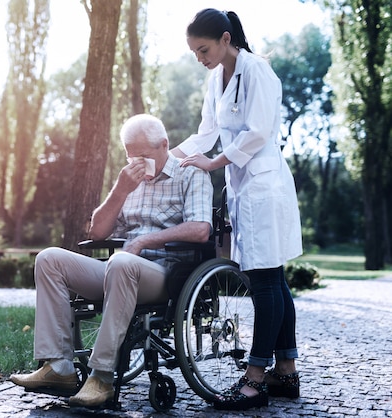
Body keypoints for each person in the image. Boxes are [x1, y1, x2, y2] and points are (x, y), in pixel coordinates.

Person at [10, 114, 213, 407]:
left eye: (144, 155)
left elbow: (200, 228)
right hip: (121, 270)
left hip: (168, 274)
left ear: (164, 145)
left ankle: (101, 377)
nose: (138, 162)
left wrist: (144, 240)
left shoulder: (190, 173)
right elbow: (98, 231)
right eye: (132, 156)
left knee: (121, 263)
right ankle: (58, 367)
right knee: (49, 259)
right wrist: (119, 191)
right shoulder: (128, 181)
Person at [170, 8, 303, 411]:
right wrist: (169, 158)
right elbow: (207, 132)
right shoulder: (216, 79)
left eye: (203, 49)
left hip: (264, 185)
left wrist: (213, 163)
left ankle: (255, 379)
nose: (200, 58)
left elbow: (258, 131)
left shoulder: (257, 71)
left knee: (264, 281)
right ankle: (287, 373)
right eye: (194, 52)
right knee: (274, 279)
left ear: (226, 39)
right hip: (244, 188)